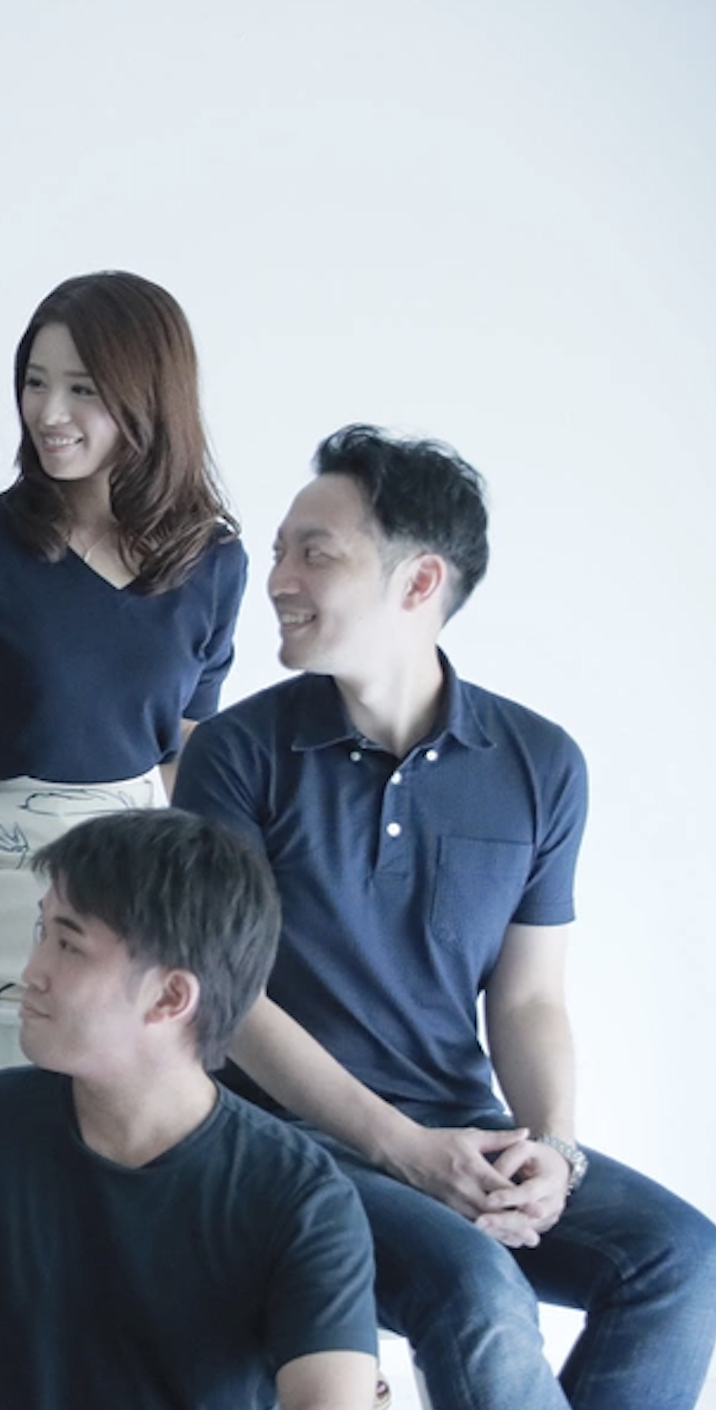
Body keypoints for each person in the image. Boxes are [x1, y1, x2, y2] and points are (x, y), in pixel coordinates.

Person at [177, 426, 716, 1408]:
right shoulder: (236, 755)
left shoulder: (541, 764)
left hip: (458, 1129)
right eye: (280, 551)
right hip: (272, 1138)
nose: (279, 580)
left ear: (419, 582)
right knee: (478, 1287)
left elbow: (530, 999)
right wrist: (403, 1150)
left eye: (315, 554)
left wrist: (553, 1149)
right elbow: (228, 1001)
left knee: (681, 1261)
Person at [0, 807, 377, 1409]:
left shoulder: (301, 1200)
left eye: (69, 945)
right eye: (42, 933)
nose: (32, 971)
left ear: (170, 996)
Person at [0, 270, 245, 993]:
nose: (48, 412)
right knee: (131, 995)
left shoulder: (213, 563)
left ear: (149, 398)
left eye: (82, 389)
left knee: (204, 982)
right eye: (35, 383)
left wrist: (209, 903)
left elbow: (187, 755)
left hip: (135, 864)